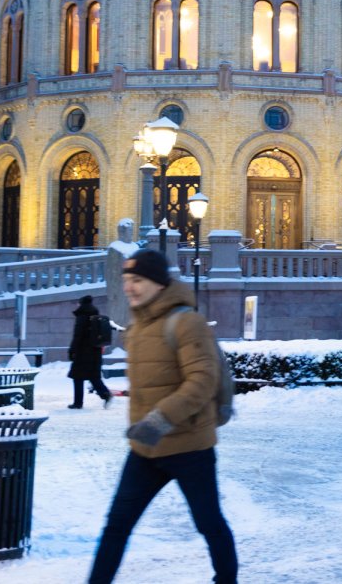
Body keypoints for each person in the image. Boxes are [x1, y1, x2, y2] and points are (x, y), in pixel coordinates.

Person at [89, 249, 237, 584]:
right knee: (116, 525)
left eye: (137, 280)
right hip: (146, 449)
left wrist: (159, 419)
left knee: (209, 522)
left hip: (189, 448)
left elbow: (202, 381)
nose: (130, 288)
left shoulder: (186, 322)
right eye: (127, 280)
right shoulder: (139, 325)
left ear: (157, 283)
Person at [67, 295, 112, 409]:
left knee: (77, 377)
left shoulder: (82, 315)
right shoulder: (95, 315)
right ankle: (105, 394)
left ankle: (78, 403)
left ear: (81, 303)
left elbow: (78, 335)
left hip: (83, 351)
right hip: (95, 350)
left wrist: (72, 350)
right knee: (93, 376)